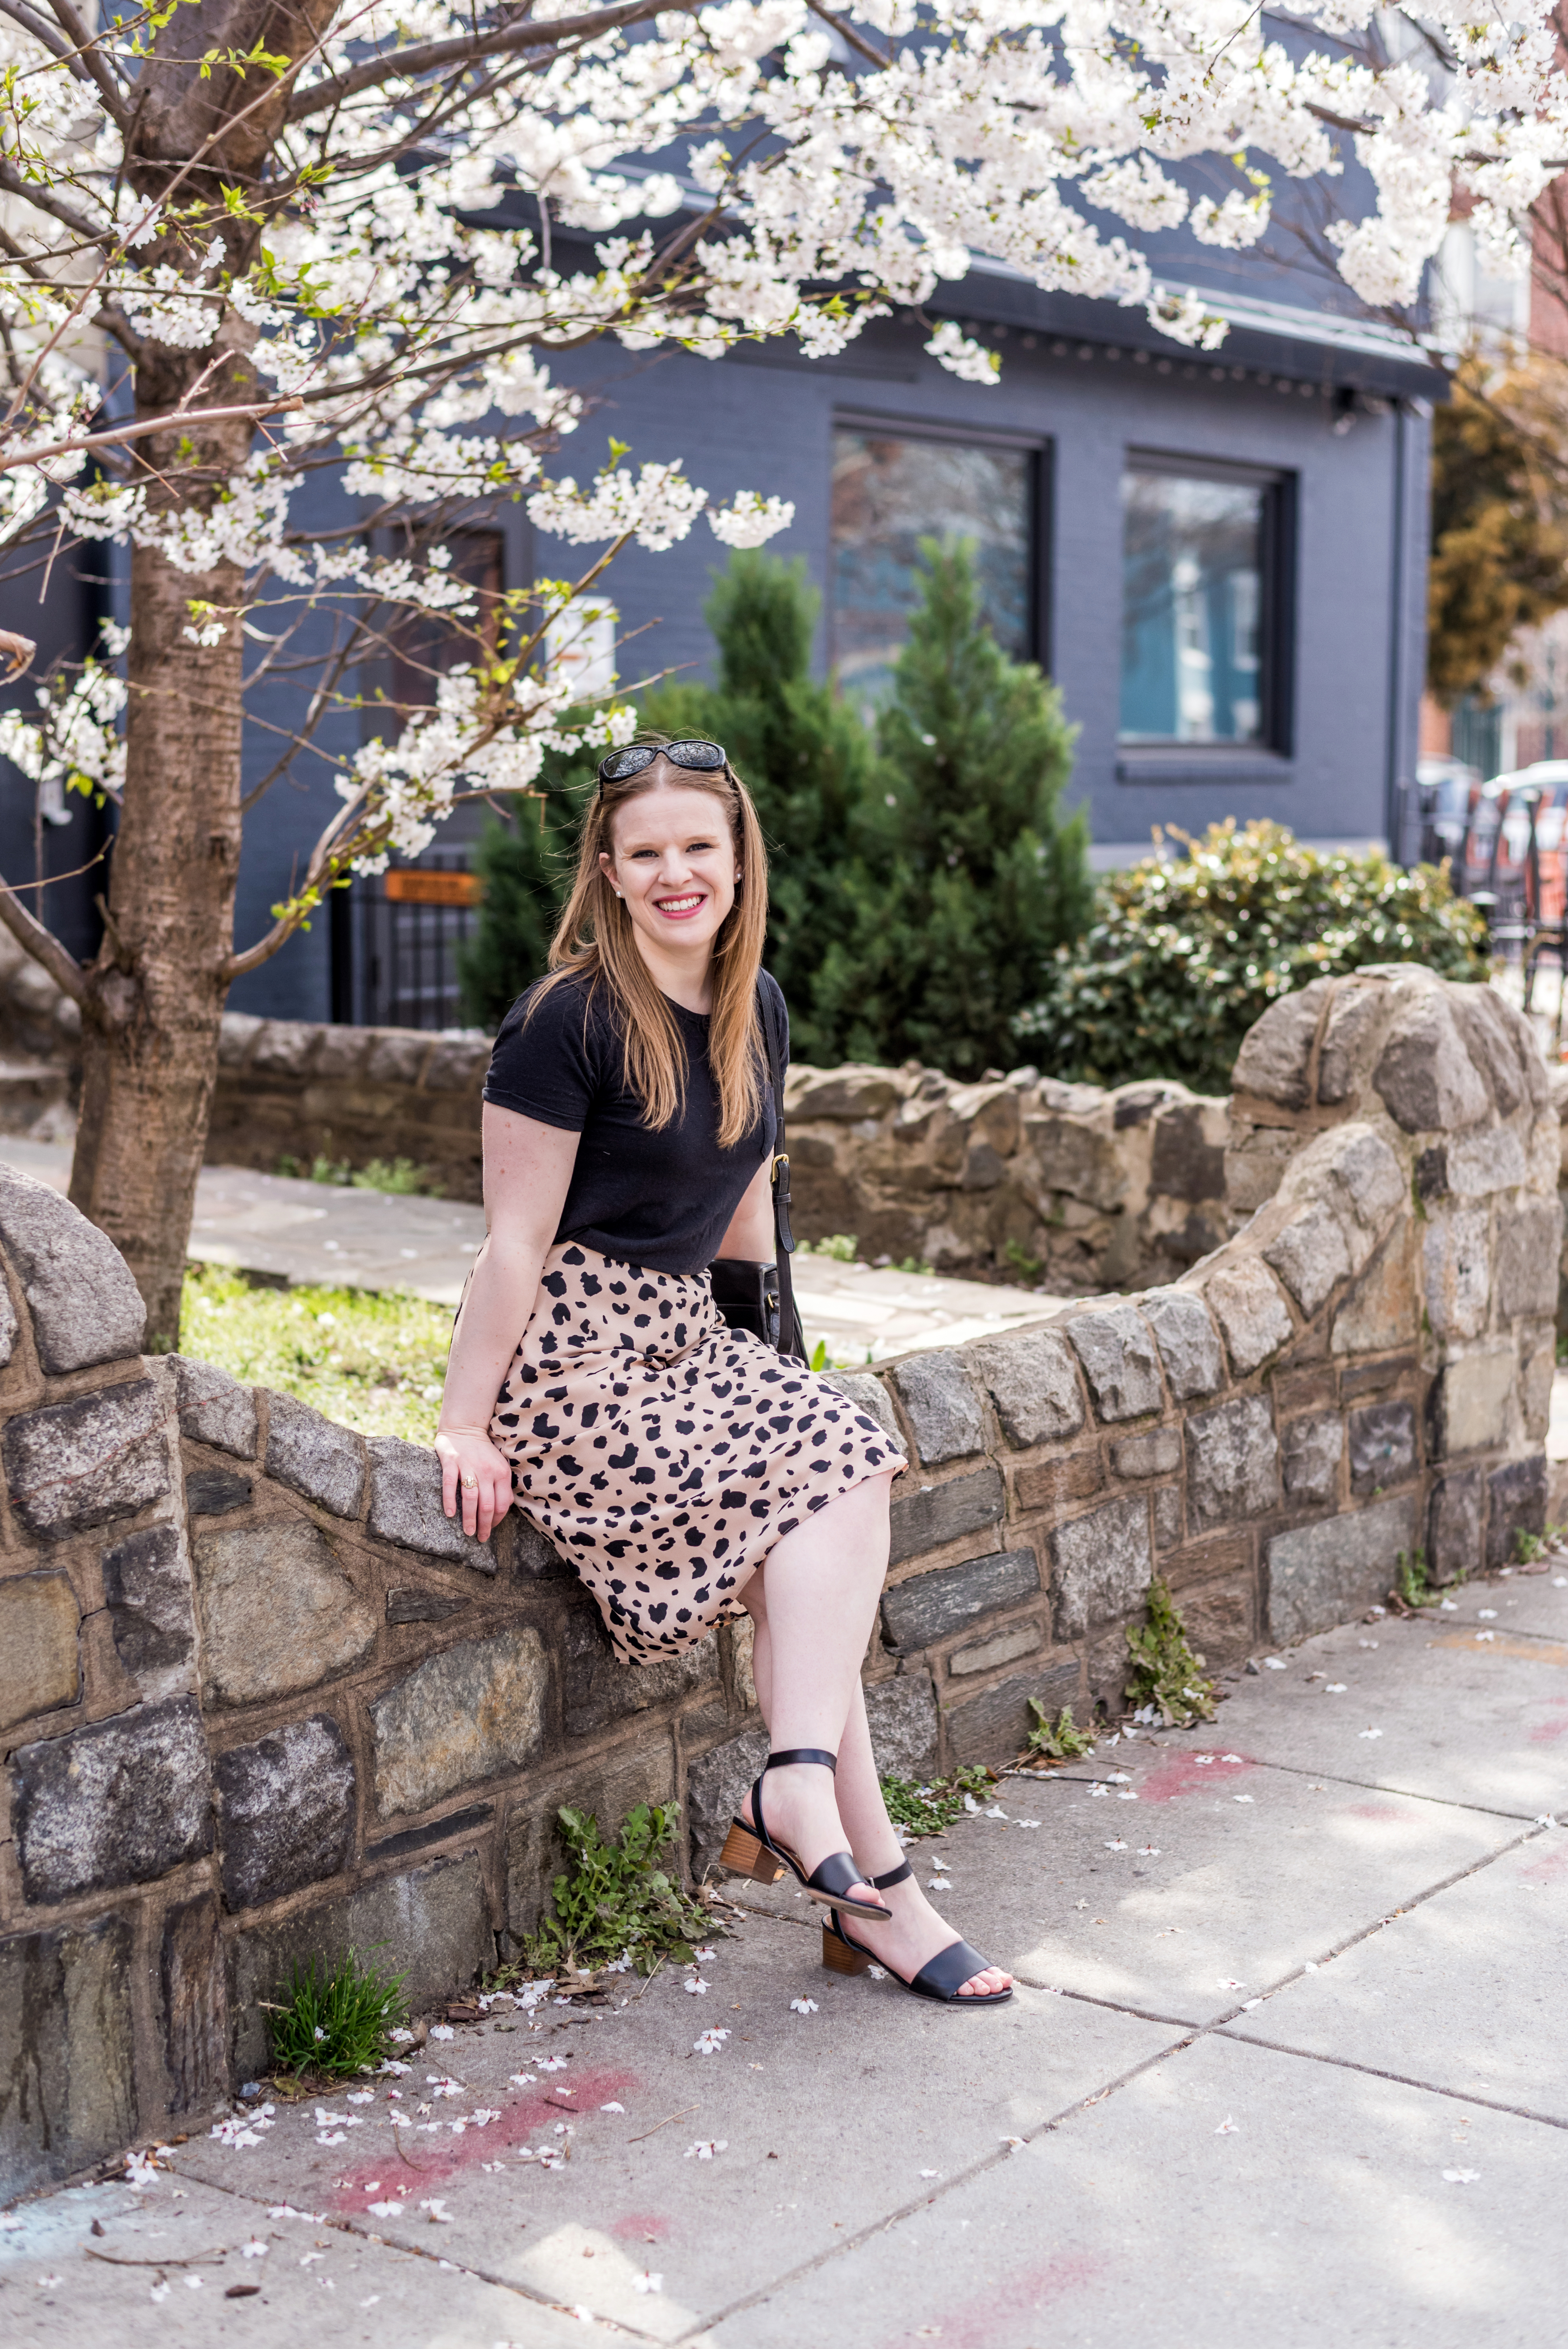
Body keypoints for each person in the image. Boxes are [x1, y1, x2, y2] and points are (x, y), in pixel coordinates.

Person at [435, 736, 1011, 2005]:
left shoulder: (759, 1010)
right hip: (574, 1364)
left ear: (741, 858)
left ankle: (833, 1835)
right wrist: (464, 1424)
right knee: (839, 1488)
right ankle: (875, 1877)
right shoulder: (564, 1022)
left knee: (827, 1506)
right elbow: (513, 1243)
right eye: (647, 853)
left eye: (700, 846)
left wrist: (778, 1390)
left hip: (690, 1341)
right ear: (609, 870)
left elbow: (750, 1220)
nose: (676, 872)